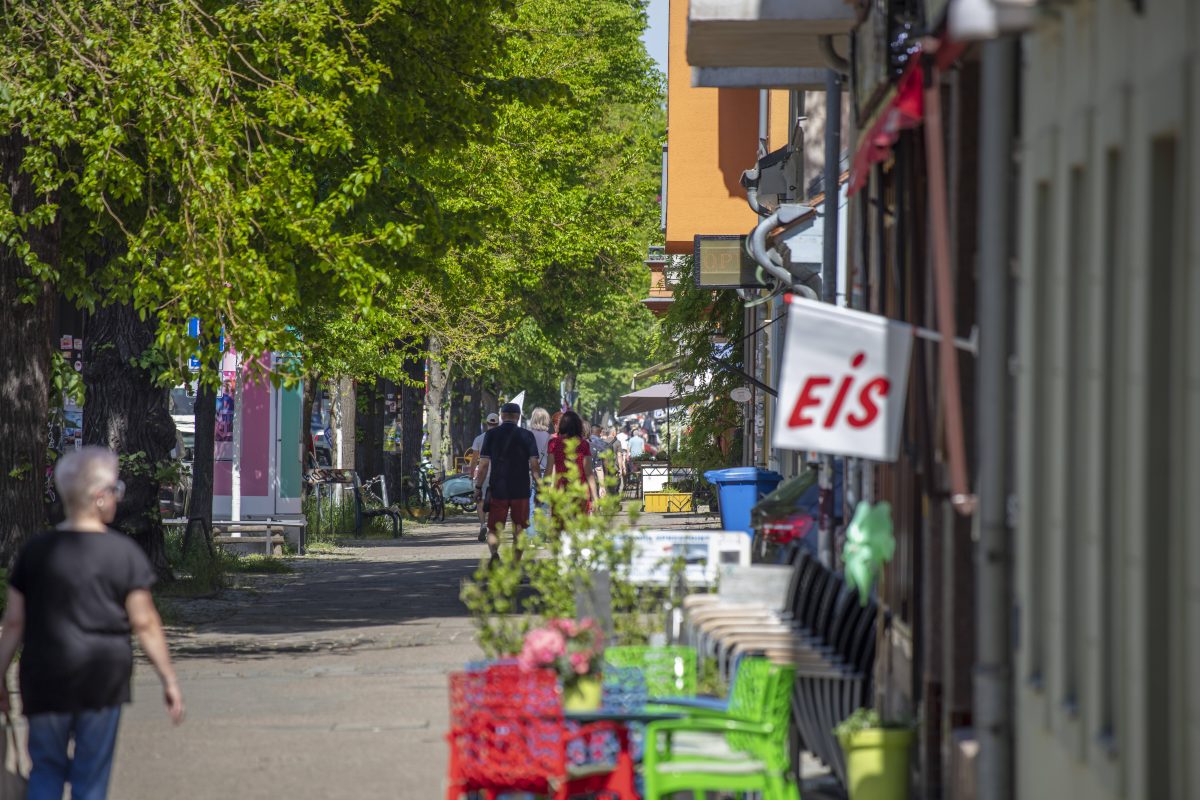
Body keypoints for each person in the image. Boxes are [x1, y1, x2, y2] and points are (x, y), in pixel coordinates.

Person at [0, 447, 184, 800]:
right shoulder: (122, 554)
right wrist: (169, 680)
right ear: (99, 498)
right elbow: (144, 622)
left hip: (44, 676)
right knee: (90, 776)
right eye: (115, 490)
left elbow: (14, 622)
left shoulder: (36, 551)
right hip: (102, 677)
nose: (118, 497)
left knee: (46, 768)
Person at [475, 403, 542, 564]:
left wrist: (478, 487)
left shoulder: (491, 435)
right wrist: (539, 485)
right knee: (519, 528)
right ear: (518, 417)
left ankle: (494, 555)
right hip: (521, 488)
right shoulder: (527, 435)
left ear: (502, 416)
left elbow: (483, 464)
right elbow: (534, 464)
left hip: (498, 487)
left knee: (494, 527)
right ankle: (515, 564)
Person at [547, 410, 600, 514]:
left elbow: (549, 469)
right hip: (580, 491)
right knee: (579, 527)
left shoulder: (553, 443)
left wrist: (544, 489)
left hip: (560, 491)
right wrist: (595, 498)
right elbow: (589, 473)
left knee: (560, 527)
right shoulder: (583, 444)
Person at [467, 412, 500, 542]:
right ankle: (493, 528)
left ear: (487, 424)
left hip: (483, 473)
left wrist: (471, 474)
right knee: (495, 501)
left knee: (480, 500)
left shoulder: (479, 439)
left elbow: (474, 459)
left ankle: (482, 525)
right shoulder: (502, 438)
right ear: (497, 424)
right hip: (498, 473)